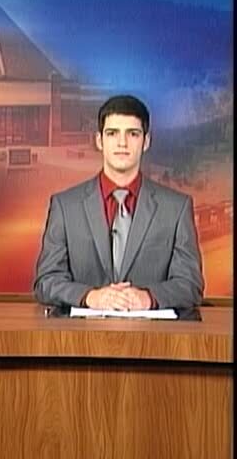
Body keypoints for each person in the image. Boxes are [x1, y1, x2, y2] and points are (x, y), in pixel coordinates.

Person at [34, 95, 203, 310]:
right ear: (99, 140)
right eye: (112, 133)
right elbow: (46, 282)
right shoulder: (65, 207)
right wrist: (90, 297)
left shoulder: (176, 208)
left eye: (132, 134)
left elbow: (190, 285)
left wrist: (148, 298)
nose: (122, 143)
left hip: (153, 331)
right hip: (81, 331)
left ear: (146, 141)